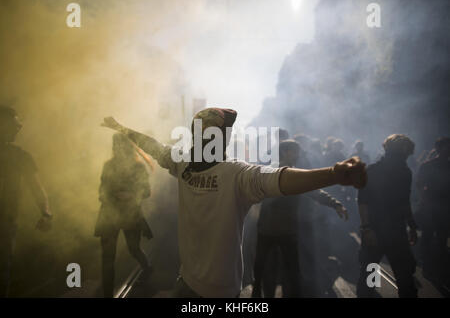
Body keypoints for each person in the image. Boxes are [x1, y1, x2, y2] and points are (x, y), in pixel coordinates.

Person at [101, 107, 367, 298]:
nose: (198, 139)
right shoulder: (182, 163)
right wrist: (121, 128)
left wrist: (333, 174)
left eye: (205, 135)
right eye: (196, 133)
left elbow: (280, 178)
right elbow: (153, 145)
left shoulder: (237, 174)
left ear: (220, 140)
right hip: (186, 281)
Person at [251, 140, 348, 298]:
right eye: (295, 151)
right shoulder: (272, 172)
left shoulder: (279, 171)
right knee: (271, 269)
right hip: (276, 230)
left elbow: (314, 191)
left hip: (277, 229)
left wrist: (334, 203)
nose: (298, 155)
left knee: (272, 269)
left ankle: (262, 295)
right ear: (285, 152)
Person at [357, 134, 418, 298]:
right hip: (393, 230)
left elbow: (362, 201)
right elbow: (405, 202)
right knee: (404, 276)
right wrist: (411, 226)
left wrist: (367, 228)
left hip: (379, 229)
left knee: (371, 272)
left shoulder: (372, 170)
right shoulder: (405, 172)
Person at [0, 105, 52, 297]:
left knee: (3, 269)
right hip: (7, 223)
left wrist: (46, 212)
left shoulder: (20, 156)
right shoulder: (20, 155)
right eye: (15, 123)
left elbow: (37, 188)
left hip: (6, 223)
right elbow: (37, 188)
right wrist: (46, 213)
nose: (19, 127)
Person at [95, 133, 153, 298]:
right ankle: (107, 294)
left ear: (129, 147)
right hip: (109, 214)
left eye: (121, 145)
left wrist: (130, 196)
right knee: (107, 258)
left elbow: (146, 191)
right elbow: (102, 189)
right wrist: (109, 197)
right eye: (116, 145)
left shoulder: (138, 167)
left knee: (134, 249)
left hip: (131, 214)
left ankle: (148, 268)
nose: (118, 148)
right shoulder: (109, 166)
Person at [416, 137, 450, 284]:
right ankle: (427, 265)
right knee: (428, 236)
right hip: (431, 206)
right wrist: (424, 201)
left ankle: (438, 267)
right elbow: (419, 184)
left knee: (442, 238)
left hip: (446, 206)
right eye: (446, 147)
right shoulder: (428, 165)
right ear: (438, 148)